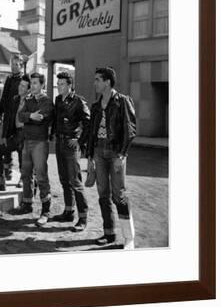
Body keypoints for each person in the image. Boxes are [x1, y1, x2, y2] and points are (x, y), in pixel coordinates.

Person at [86, 67, 137, 248]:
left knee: (119, 195)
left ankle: (129, 238)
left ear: (107, 82)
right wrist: (90, 155)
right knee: (103, 195)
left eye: (98, 80)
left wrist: (122, 154)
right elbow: (92, 132)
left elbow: (130, 130)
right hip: (99, 152)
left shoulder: (123, 101)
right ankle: (109, 234)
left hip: (115, 152)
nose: (95, 83)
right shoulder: (95, 106)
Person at [50, 71, 91, 232]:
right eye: (58, 83)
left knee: (75, 181)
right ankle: (68, 211)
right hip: (60, 142)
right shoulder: (58, 100)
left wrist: (80, 140)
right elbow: (56, 119)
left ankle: (83, 217)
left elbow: (88, 123)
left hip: (71, 144)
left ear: (69, 85)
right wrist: (52, 133)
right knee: (64, 179)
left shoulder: (79, 102)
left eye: (61, 84)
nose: (59, 87)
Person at [14, 73, 54, 226]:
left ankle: (45, 211)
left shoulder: (47, 101)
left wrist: (28, 117)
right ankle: (27, 203)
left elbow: (41, 118)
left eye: (36, 83)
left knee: (41, 176)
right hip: (27, 141)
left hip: (40, 143)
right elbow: (20, 116)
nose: (32, 86)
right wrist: (30, 115)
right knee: (25, 174)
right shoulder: (29, 100)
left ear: (42, 85)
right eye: (31, 83)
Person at [0, 75, 30, 191]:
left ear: (28, 89)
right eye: (20, 85)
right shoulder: (15, 99)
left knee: (24, 159)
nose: (20, 87)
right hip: (16, 134)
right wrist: (5, 135)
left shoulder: (32, 101)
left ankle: (25, 181)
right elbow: (9, 118)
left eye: (23, 86)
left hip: (27, 135)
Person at [0, 54, 28, 181]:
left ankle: (23, 176)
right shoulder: (9, 79)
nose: (14, 67)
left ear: (21, 66)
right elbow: (4, 97)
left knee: (21, 148)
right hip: (8, 118)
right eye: (12, 64)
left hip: (19, 119)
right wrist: (0, 112)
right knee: (6, 146)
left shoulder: (25, 80)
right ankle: (7, 171)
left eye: (16, 65)